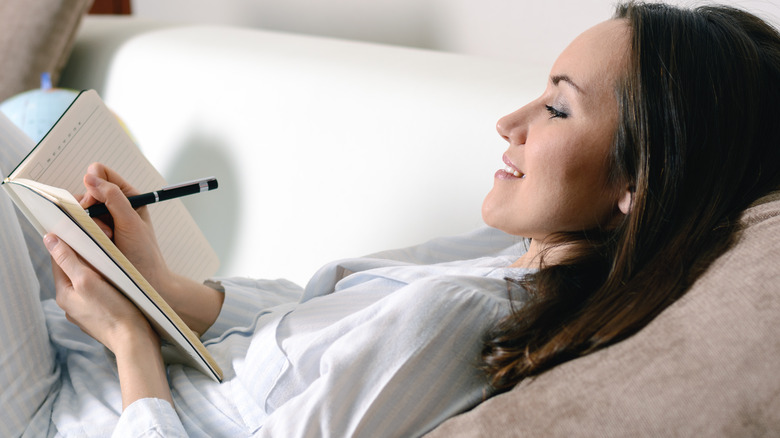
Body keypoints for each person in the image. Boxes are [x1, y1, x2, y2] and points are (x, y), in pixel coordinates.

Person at [1, 1, 779, 436]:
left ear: (639, 183)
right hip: (96, 358)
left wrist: (131, 338)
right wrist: (158, 283)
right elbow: (304, 313)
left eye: (557, 106)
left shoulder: (464, 319)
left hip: (76, 417)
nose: (511, 121)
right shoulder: (497, 253)